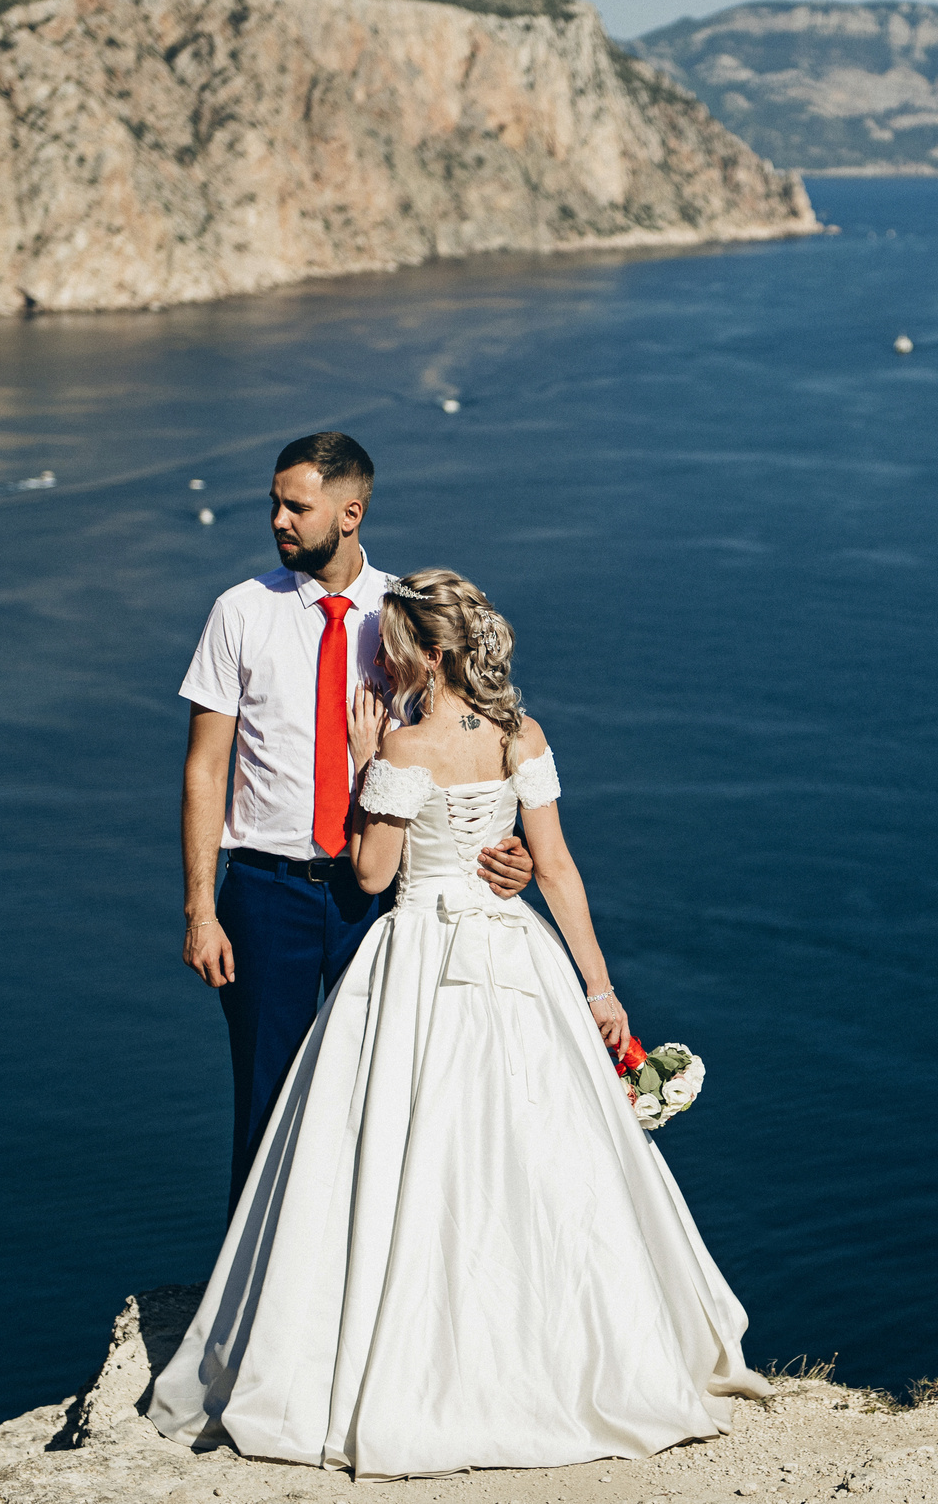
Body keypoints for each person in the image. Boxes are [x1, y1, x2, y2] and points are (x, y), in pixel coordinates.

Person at [149, 568, 764, 1477]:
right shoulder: (523, 735)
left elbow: (368, 875)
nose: (383, 661)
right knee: (537, 1149)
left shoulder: (403, 746)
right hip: (517, 953)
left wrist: (367, 769)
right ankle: (561, 1346)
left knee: (412, 1146)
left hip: (418, 960)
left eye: (395, 647)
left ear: (431, 655)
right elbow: (557, 868)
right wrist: (600, 988)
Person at [178, 433, 533, 1206]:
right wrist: (201, 908)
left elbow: (477, 742)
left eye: (295, 505)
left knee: (387, 1097)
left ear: (350, 512)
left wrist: (514, 850)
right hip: (267, 892)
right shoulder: (239, 612)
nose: (277, 518)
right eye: (273, 502)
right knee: (268, 1106)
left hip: (386, 897)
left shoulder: (407, 613)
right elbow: (205, 765)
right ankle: (258, 1312)